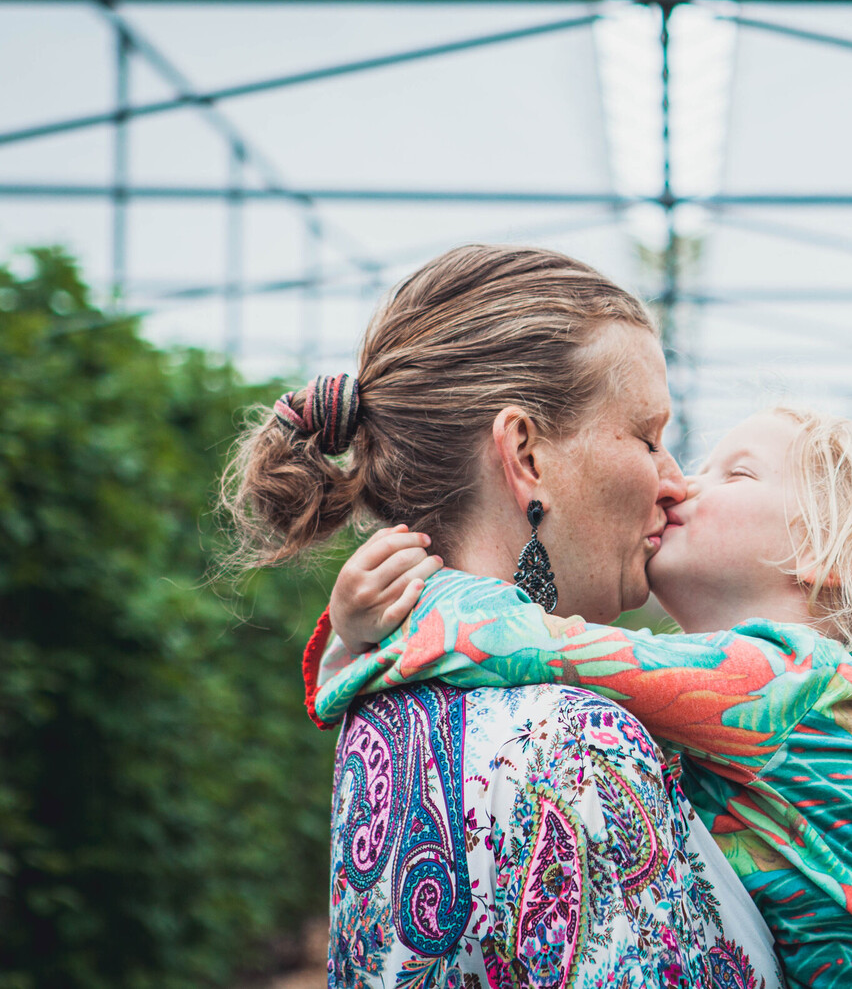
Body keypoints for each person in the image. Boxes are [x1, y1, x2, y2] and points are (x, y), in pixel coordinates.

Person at [305, 408, 852, 989]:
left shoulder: (794, 680)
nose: (677, 484)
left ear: (832, 554)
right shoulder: (770, 697)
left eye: (735, 472)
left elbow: (537, 642)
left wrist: (383, 613)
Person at [223, 245, 782, 988]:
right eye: (648, 436)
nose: (675, 479)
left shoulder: (379, 715)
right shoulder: (574, 742)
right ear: (525, 453)